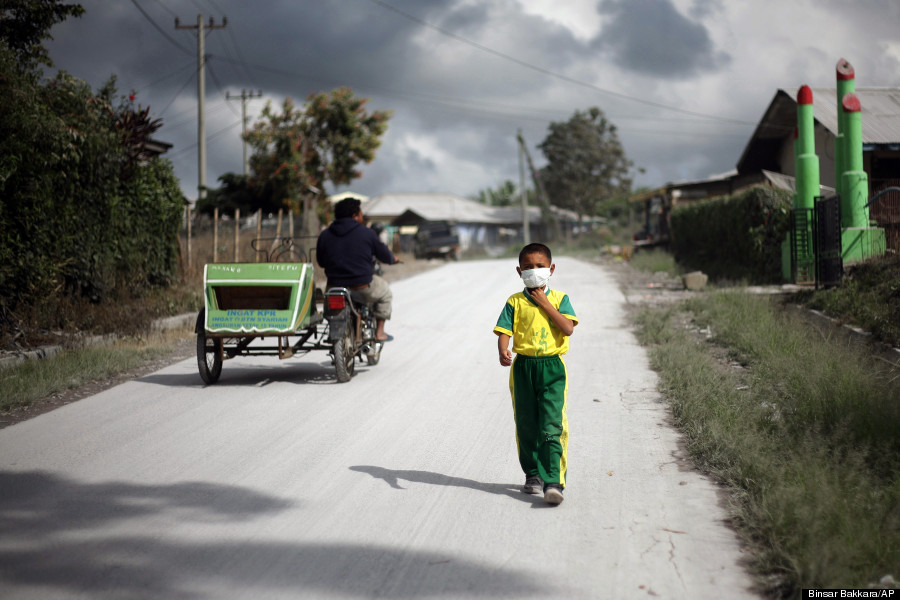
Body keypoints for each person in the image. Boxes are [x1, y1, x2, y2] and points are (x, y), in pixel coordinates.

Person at [493, 243, 578, 505]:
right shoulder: (514, 301)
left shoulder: (560, 298)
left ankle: (553, 481)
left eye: (540, 266)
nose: (534, 271)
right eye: (528, 267)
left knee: (552, 424)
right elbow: (504, 331)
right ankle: (532, 474)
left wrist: (544, 302)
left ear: (551, 269)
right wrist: (503, 350)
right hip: (524, 368)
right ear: (519, 271)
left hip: (552, 367)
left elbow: (567, 328)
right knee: (527, 423)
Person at [316, 198, 398, 342]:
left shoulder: (325, 235)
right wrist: (393, 259)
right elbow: (384, 255)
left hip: (334, 287)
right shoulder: (367, 233)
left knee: (330, 306)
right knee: (385, 292)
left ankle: (334, 330)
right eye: (360, 213)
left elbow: (321, 262)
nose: (362, 216)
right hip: (361, 287)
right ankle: (379, 333)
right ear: (355, 215)